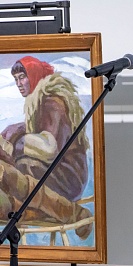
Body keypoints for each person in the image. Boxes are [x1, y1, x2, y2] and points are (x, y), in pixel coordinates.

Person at [0, 55, 92, 239]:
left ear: (33, 75)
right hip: (54, 175)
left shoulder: (52, 102)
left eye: (22, 77)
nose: (19, 84)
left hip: (66, 178)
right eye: (16, 79)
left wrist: (14, 142)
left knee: (14, 171)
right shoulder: (39, 103)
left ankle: (70, 211)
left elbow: (48, 147)